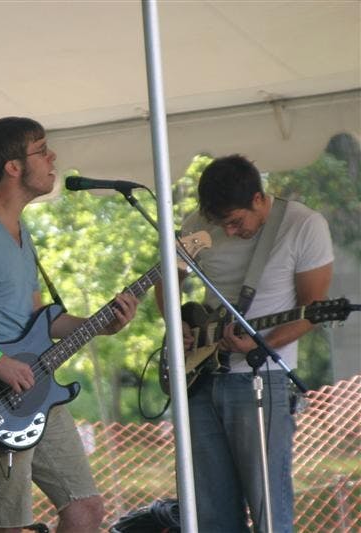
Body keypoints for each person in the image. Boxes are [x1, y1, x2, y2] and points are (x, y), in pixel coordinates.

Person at [0, 117, 139, 532]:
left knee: (85, 508)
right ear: (13, 167)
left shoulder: (21, 229)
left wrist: (102, 325)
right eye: (41, 150)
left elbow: (41, 322)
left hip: (38, 392)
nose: (52, 157)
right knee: (11, 526)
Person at [155, 155, 333, 532]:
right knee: (210, 511)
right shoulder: (197, 224)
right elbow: (166, 280)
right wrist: (176, 323)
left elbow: (313, 310)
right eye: (221, 223)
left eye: (236, 222)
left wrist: (261, 345)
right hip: (200, 377)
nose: (229, 231)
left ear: (257, 198)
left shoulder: (304, 225)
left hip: (261, 378)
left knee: (268, 507)